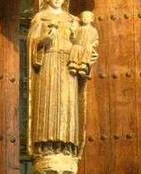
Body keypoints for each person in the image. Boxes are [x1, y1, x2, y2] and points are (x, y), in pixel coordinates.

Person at [27, 0, 97, 156]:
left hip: (68, 66)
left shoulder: (74, 20)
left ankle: (67, 145)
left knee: (67, 104)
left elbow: (83, 43)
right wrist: (43, 40)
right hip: (49, 64)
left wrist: (88, 54)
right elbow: (32, 43)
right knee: (49, 102)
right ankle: (46, 145)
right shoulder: (40, 17)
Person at [68, 11, 99, 77]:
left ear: (92, 19)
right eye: (83, 17)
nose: (85, 18)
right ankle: (73, 63)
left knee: (88, 49)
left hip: (87, 46)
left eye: (87, 17)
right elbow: (73, 39)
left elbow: (96, 40)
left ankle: (84, 65)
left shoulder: (93, 30)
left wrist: (93, 45)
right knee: (75, 47)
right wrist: (73, 33)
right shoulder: (79, 29)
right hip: (79, 45)